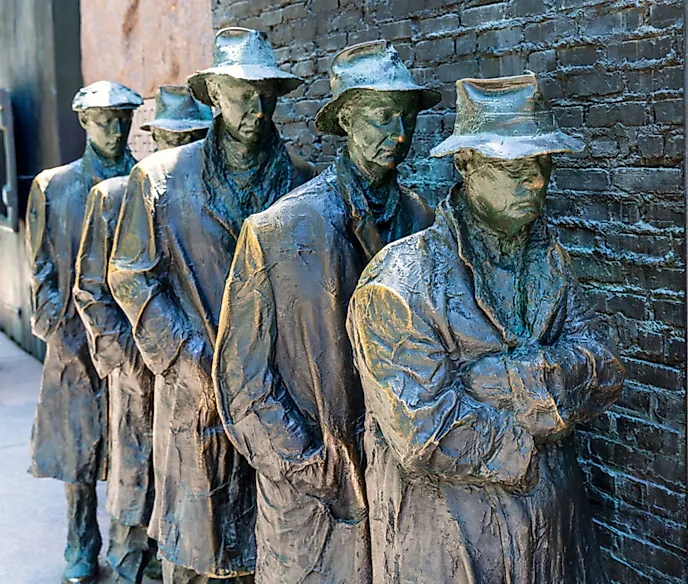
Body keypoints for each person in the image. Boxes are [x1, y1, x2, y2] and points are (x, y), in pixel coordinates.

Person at [346, 72, 625, 583]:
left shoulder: (553, 263)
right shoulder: (400, 281)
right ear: (466, 165)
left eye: (542, 163)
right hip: (451, 545)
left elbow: (604, 369)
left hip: (555, 538)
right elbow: (424, 432)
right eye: (514, 167)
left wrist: (502, 380)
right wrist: (540, 431)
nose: (537, 182)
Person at [213, 39, 439, 583]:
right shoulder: (280, 229)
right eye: (383, 118)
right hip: (310, 490)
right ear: (345, 121)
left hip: (403, 485)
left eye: (405, 118)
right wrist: (310, 464)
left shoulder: (422, 223)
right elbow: (242, 378)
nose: (400, 135)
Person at [107, 28, 314, 583]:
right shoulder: (159, 180)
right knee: (198, 555)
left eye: (266, 93)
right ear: (214, 96)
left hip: (278, 399)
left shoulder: (302, 184)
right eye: (241, 93)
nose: (256, 107)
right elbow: (130, 278)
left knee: (273, 549)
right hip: (195, 393)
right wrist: (191, 358)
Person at [73, 84, 212, 584]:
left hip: (187, 374)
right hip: (139, 371)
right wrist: (131, 361)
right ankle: (129, 563)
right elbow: (92, 290)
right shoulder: (116, 195)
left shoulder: (204, 198)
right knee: (135, 483)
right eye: (172, 137)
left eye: (194, 136)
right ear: (153, 138)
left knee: (183, 492)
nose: (183, 147)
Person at [26, 80, 142, 584]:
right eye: (103, 120)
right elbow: (41, 272)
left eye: (122, 119)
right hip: (72, 344)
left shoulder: (145, 181)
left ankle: (131, 544)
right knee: (79, 452)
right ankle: (80, 540)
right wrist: (58, 330)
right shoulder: (54, 186)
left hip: (133, 342)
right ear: (82, 121)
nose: (114, 130)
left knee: (133, 447)